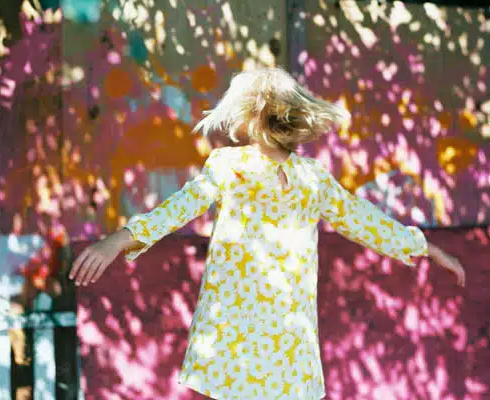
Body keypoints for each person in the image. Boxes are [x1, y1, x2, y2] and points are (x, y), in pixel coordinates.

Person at [69, 67, 466, 399]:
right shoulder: (311, 179)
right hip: (284, 347)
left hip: (237, 340)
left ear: (251, 115)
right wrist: (425, 247)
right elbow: (368, 222)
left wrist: (118, 240)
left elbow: (178, 209)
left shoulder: (233, 167)